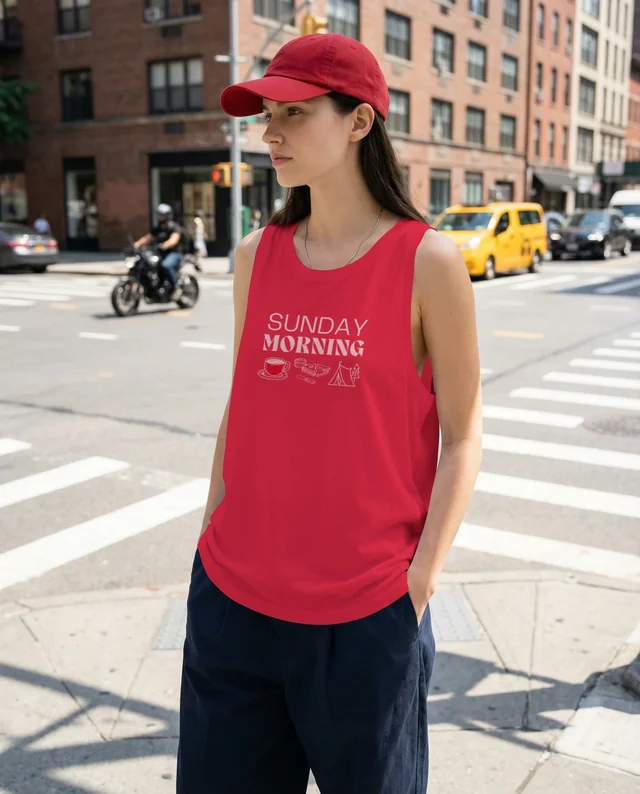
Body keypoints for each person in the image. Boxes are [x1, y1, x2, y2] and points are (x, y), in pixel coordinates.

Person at [178, 33, 482, 794]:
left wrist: (416, 585)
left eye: (293, 113)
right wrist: (209, 536)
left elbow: (463, 435)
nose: (268, 133)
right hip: (233, 603)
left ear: (359, 122)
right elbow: (243, 406)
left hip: (365, 616)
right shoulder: (258, 252)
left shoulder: (427, 261)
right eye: (265, 115)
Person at [134, 203, 184, 300]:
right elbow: (148, 238)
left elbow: (173, 240)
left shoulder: (174, 227)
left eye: (161, 215)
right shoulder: (158, 228)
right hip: (161, 253)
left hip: (174, 253)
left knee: (166, 265)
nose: (159, 217)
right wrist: (137, 244)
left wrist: (164, 245)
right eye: (158, 215)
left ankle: (176, 287)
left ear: (167, 215)